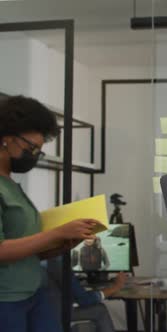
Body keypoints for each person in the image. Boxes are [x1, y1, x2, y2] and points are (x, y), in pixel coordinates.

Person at [0, 95, 98, 332]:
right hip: (7, 301)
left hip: (35, 293)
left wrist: (62, 244)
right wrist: (56, 233)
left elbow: (27, 250)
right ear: (6, 137)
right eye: (30, 148)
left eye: (38, 151)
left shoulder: (11, 185)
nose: (33, 156)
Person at [42, 260, 127, 332]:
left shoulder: (44, 260)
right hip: (54, 314)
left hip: (42, 312)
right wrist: (116, 287)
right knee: (100, 310)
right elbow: (84, 300)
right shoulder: (58, 262)